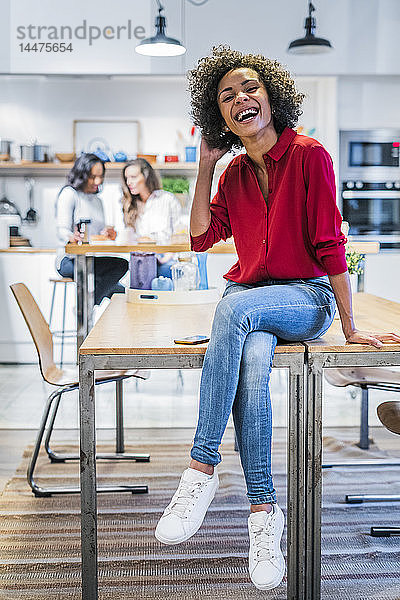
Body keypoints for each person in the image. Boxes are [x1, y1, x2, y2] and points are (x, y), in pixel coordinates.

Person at [154, 46, 400, 590]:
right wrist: (203, 168)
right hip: (256, 306)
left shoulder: (310, 155)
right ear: (219, 118)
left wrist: (349, 323)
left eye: (249, 88)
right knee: (252, 356)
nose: (240, 98)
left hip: (305, 299)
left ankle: (200, 467)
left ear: (271, 96)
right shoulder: (235, 172)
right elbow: (200, 238)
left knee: (234, 307)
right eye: (226, 96)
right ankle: (265, 515)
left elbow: (332, 244)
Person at [56, 153, 128, 306]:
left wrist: (108, 234)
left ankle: (88, 306)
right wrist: (72, 237)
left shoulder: (97, 201)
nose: (98, 181)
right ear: (82, 174)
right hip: (69, 261)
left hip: (91, 260)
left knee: (121, 269)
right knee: (116, 287)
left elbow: (98, 234)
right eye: (93, 176)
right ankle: (88, 307)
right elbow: (61, 231)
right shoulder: (69, 194)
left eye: (101, 176)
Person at [121, 158, 183, 277]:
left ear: (146, 176)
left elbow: (178, 233)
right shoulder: (129, 205)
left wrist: (166, 257)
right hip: (141, 260)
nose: (129, 182)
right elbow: (129, 238)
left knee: (164, 270)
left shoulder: (167, 199)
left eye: (133, 177)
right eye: (127, 178)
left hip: (166, 259)